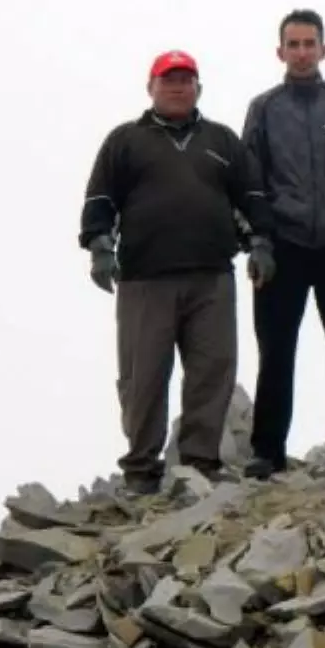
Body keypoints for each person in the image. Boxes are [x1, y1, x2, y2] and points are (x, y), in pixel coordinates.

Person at [78, 50, 275, 496]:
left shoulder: (223, 141)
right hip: (144, 279)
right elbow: (100, 201)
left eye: (186, 79)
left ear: (198, 89)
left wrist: (261, 244)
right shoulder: (125, 141)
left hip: (212, 277)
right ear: (151, 87)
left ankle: (201, 463)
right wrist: (100, 247)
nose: (178, 86)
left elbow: (252, 199)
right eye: (168, 79)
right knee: (142, 375)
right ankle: (141, 470)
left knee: (212, 370)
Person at [241, 9, 325, 479]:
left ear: (324, 49)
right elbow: (250, 181)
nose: (301, 52)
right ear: (280, 51)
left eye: (309, 43)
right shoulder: (263, 108)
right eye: (293, 44)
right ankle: (267, 450)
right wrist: (258, 242)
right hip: (284, 246)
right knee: (276, 351)